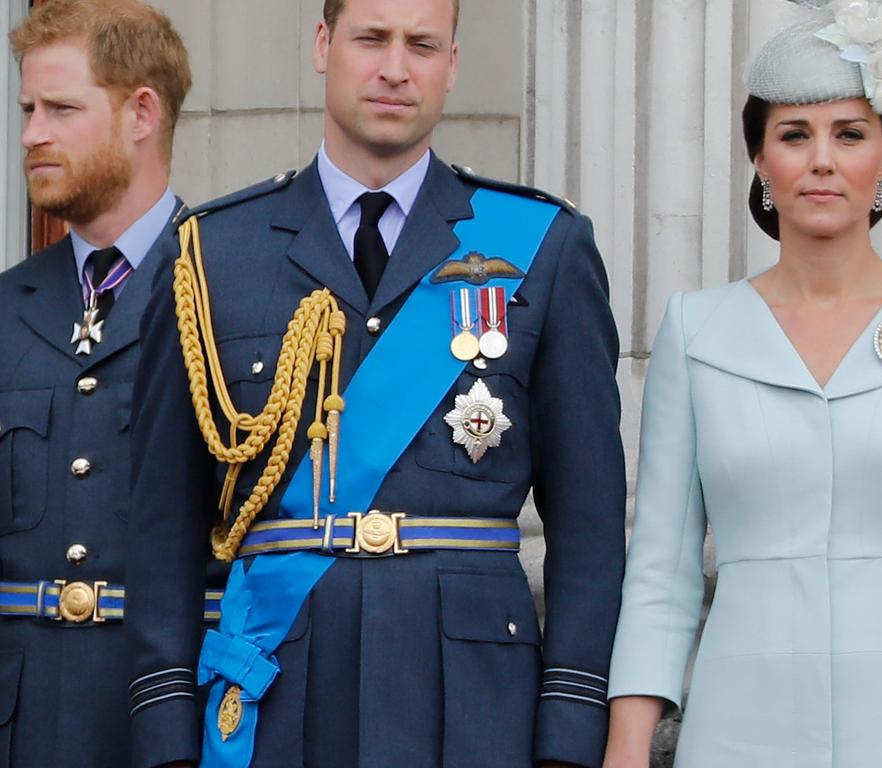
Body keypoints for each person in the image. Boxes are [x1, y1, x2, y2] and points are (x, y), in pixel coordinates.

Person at [126, 0, 626, 766]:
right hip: (276, 696)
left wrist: (570, 723)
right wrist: (165, 732)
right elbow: (162, 524)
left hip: (473, 704)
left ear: (452, 63)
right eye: (372, 38)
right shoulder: (211, 254)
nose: (396, 68)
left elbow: (589, 524)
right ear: (324, 44)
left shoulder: (543, 247)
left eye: (422, 45)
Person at [603, 1, 882, 766]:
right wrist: (626, 750)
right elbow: (662, 575)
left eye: (851, 134)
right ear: (761, 162)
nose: (823, 160)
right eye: (794, 135)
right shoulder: (697, 331)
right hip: (738, 723)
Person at [0, 1, 223, 766]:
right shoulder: (6, 308)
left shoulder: (233, 291)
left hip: (172, 724)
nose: (31, 133)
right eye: (28, 108)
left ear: (142, 113)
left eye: (61, 108)